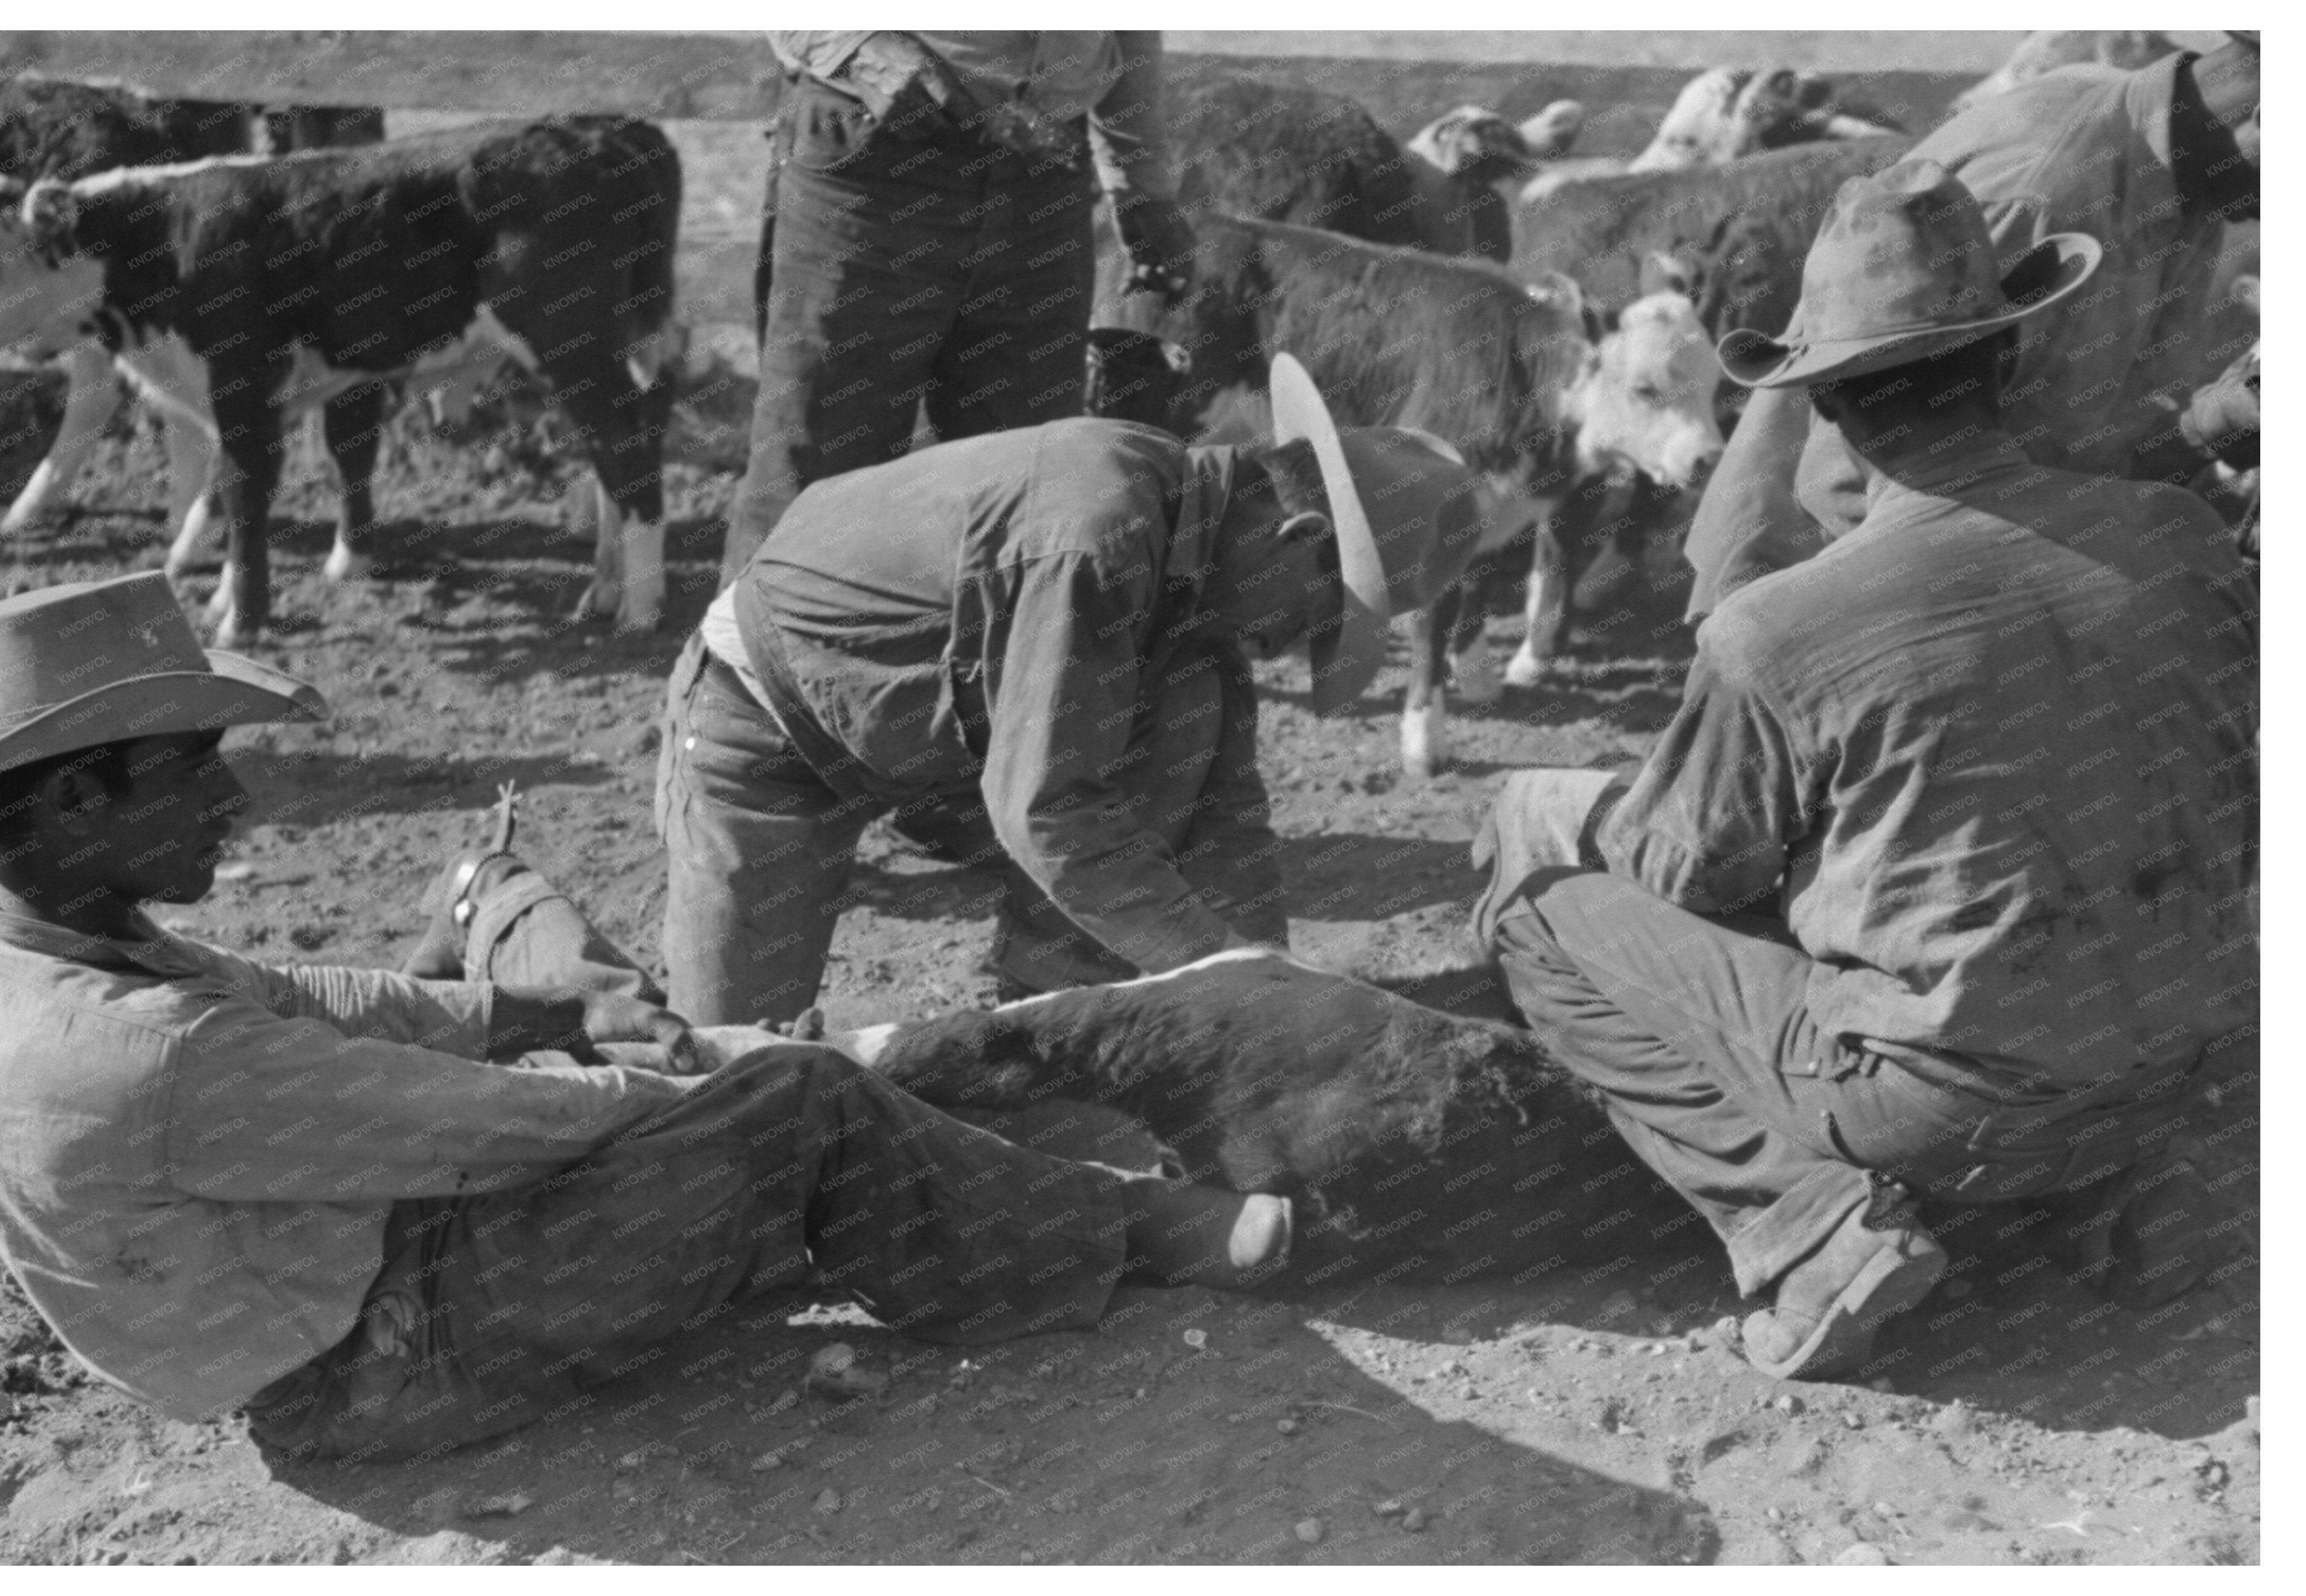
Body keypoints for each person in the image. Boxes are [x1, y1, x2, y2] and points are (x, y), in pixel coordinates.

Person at [0, 573, 1291, 1463]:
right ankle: (1115, 1229)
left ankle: (512, 919)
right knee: (795, 1103)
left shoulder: (11, 911)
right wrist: (707, 1073)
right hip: (381, 1361)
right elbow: (503, 1131)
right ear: (77, 801)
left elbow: (290, 991)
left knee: (591, 1001)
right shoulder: (142, 1057)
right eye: (194, 775)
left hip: (352, 1264)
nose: (233, 806)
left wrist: (507, 1007)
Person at [1470, 163, 2257, 1382]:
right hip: (2190, 1054)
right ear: (2002, 363)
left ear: (1823, 406)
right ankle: (2134, 1187)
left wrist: (1595, 797)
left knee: (1543, 913)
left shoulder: (1781, 626)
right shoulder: (2182, 538)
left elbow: (1688, 868)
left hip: (1955, 1108)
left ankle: (1810, 1228)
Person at [659, 357, 1482, 1025]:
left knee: (1185, 712)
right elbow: (1043, 806)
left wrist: (1280, 998)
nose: (1284, 649)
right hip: (769, 732)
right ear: (1298, 542)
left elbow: (1227, 817)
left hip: (944, 721)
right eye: (1316, 622)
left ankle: (1046, 1030)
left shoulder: (1205, 564)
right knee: (735, 1076)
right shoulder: (1100, 533)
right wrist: (1224, 963)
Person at [1682, 32, 2261, 619]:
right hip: (1839, 602)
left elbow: (2076, 451)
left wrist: (2216, 420)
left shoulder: (2184, 167)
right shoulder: (2043, 196)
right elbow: (1852, 478)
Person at [726, 30, 1198, 583]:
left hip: (1042, 169)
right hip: (878, 153)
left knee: (1029, 492)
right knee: (814, 482)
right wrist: (855, 44)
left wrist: (1139, 182)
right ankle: (745, 669)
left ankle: (992, 668)